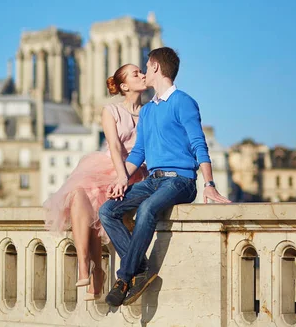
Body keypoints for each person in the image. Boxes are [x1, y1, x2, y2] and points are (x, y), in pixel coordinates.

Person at [99, 47, 231, 307]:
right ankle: (140, 268)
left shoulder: (184, 101)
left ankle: (124, 277)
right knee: (108, 210)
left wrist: (209, 184)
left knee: (147, 208)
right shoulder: (147, 111)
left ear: (156, 67)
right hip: (152, 180)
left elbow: (198, 143)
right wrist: (121, 178)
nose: (144, 71)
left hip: (180, 180)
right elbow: (138, 152)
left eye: (146, 67)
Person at [44, 64, 148, 301]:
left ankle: (97, 271)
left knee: (95, 207)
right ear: (124, 86)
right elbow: (113, 145)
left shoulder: (150, 111)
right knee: (80, 194)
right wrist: (120, 175)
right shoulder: (111, 110)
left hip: (135, 170)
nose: (142, 75)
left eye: (142, 71)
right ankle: (84, 265)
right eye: (136, 74)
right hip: (109, 165)